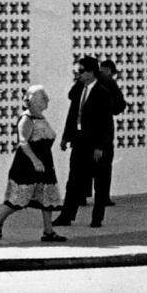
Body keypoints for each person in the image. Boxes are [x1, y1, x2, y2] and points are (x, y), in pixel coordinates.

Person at [0, 85, 66, 242]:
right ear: (35, 101)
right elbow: (23, 142)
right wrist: (35, 160)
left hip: (44, 164)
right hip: (27, 165)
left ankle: (48, 231)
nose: (47, 100)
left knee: (46, 197)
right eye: (43, 98)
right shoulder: (27, 119)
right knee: (19, 198)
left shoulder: (40, 117)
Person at [53, 55, 115, 229]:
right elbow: (72, 115)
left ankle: (97, 218)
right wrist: (66, 137)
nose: (78, 75)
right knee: (73, 180)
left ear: (91, 73)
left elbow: (106, 123)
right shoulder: (80, 90)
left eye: (81, 71)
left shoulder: (102, 92)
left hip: (96, 144)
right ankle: (66, 215)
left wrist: (100, 146)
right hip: (80, 141)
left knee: (100, 184)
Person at [95, 59, 126, 208]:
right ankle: (103, 197)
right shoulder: (108, 82)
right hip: (105, 128)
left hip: (84, 129)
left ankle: (80, 196)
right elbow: (120, 104)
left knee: (82, 164)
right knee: (105, 164)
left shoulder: (82, 81)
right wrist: (110, 109)